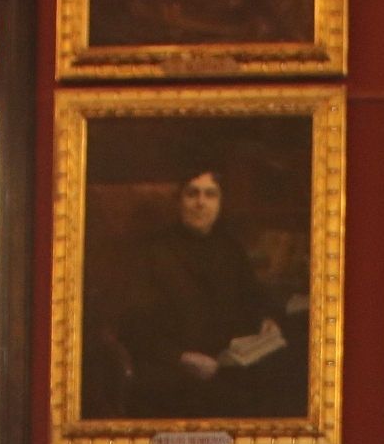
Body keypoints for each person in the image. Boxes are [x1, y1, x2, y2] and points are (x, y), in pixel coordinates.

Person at [109, 169, 306, 421]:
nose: (201, 203)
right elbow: (131, 324)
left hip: (228, 366)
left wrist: (265, 320)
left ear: (220, 203)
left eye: (210, 195)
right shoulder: (150, 251)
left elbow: (252, 298)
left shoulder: (230, 248)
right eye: (193, 194)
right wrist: (182, 358)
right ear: (179, 200)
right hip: (173, 374)